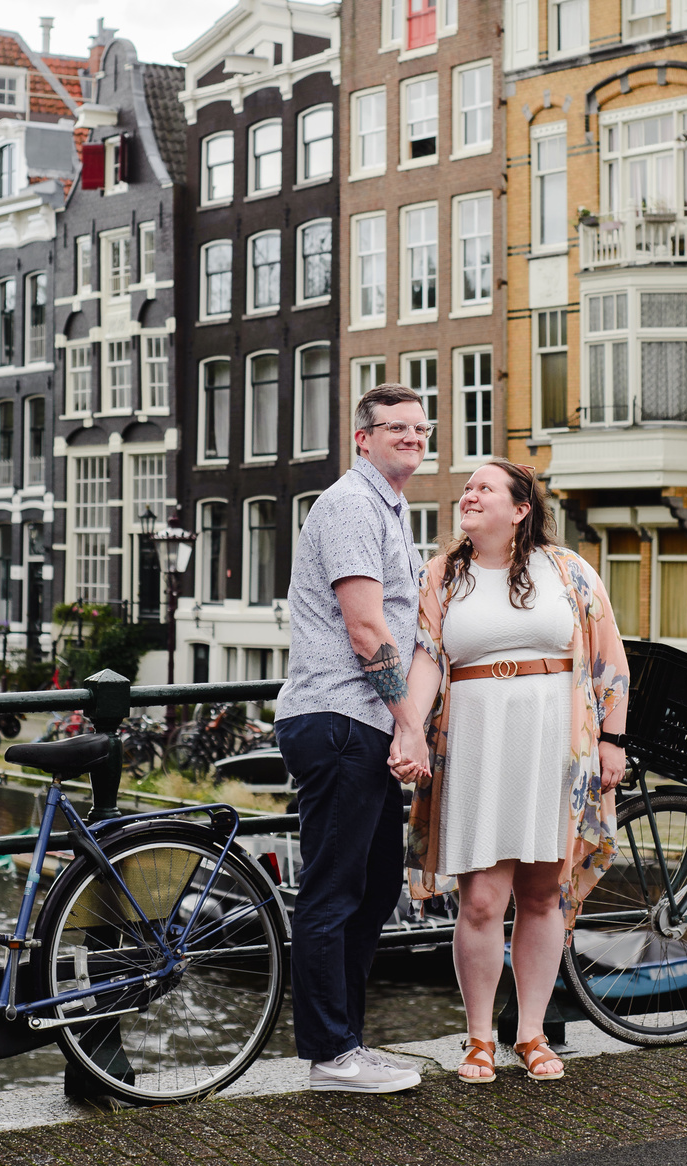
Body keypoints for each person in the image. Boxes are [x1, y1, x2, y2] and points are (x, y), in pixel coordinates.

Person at [394, 459, 628, 1085]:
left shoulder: (569, 570)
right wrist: (410, 728)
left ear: (520, 510)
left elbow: (610, 658)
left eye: (483, 488)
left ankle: (530, 1033)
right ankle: (477, 1038)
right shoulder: (443, 575)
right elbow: (424, 660)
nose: (468, 495)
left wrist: (613, 740)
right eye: (467, 488)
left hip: (557, 739)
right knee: (481, 898)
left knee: (541, 891)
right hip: (476, 739)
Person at [274, 383, 434, 1094]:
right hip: (342, 718)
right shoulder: (349, 505)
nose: (411, 436)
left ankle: (349, 1045)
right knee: (334, 893)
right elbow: (367, 627)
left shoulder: (389, 510)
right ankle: (331, 1055)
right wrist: (411, 725)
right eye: (395, 426)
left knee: (372, 893)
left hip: (361, 723)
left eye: (420, 427)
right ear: (362, 438)